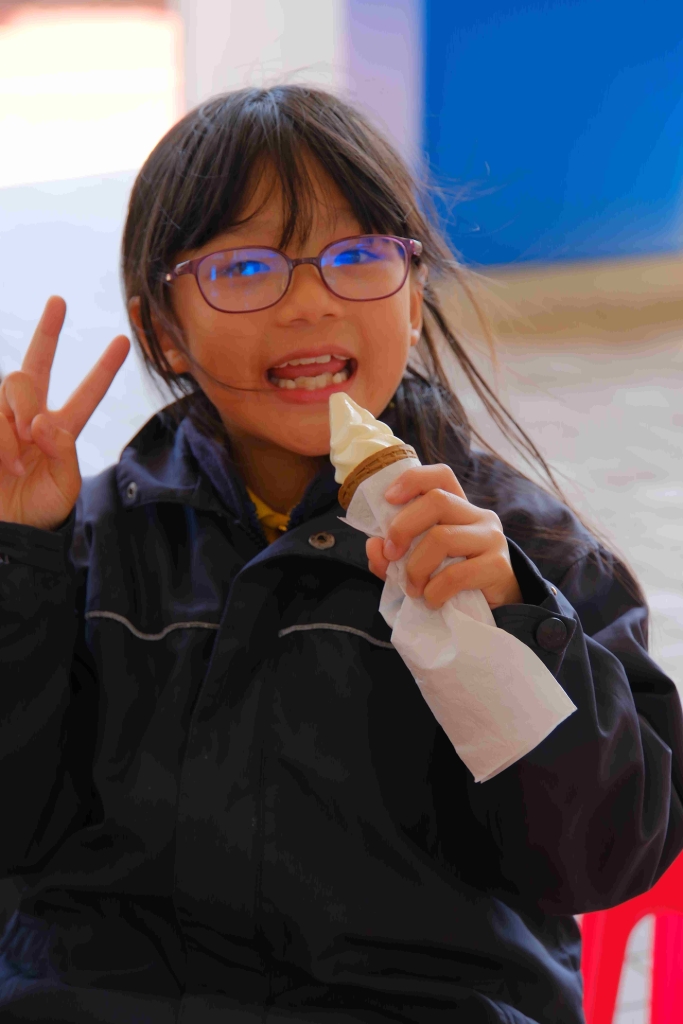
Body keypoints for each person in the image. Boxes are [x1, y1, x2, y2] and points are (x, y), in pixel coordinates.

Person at [0, 85, 681, 1024]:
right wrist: (17, 560)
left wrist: (515, 631)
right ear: (163, 329)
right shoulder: (89, 543)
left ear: (415, 297)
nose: (311, 304)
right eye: (244, 268)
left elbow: (601, 858)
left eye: (358, 256)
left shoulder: (530, 553)